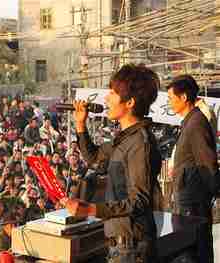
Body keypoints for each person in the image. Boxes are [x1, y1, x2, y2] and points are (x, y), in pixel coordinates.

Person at [66, 64, 162, 263]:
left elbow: (139, 200)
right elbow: (94, 158)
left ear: (130, 102)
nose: (106, 98)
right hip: (122, 245)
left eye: (113, 93)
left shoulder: (139, 143)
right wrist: (80, 125)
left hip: (132, 247)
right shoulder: (125, 139)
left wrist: (92, 209)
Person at [167, 75, 219, 263]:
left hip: (193, 202)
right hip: (188, 197)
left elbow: (207, 162)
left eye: (171, 98)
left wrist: (213, 191)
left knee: (194, 252)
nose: (169, 103)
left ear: (184, 97)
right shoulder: (189, 121)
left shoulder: (196, 122)